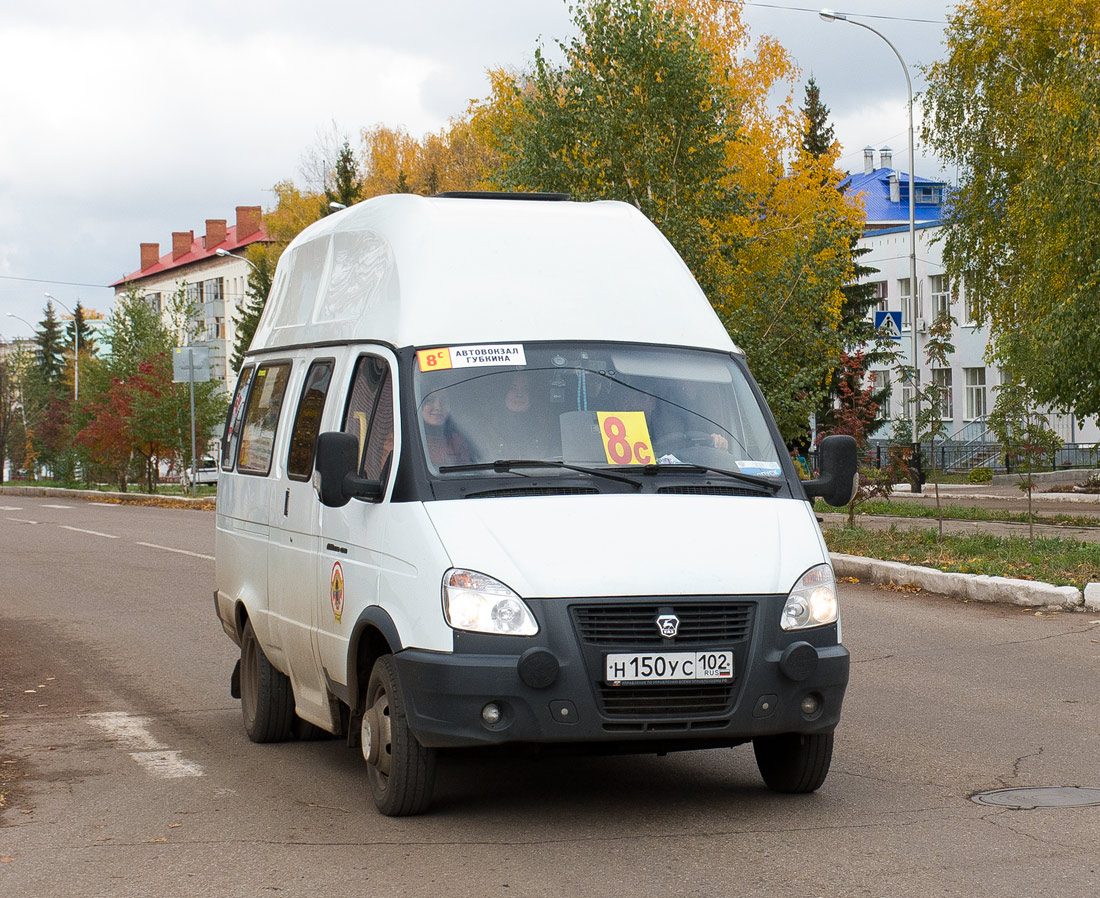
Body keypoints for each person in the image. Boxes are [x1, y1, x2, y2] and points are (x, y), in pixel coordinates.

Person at [420, 391, 473, 467]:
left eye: (443, 401)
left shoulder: (458, 441)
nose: (438, 407)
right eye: (430, 401)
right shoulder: (407, 439)